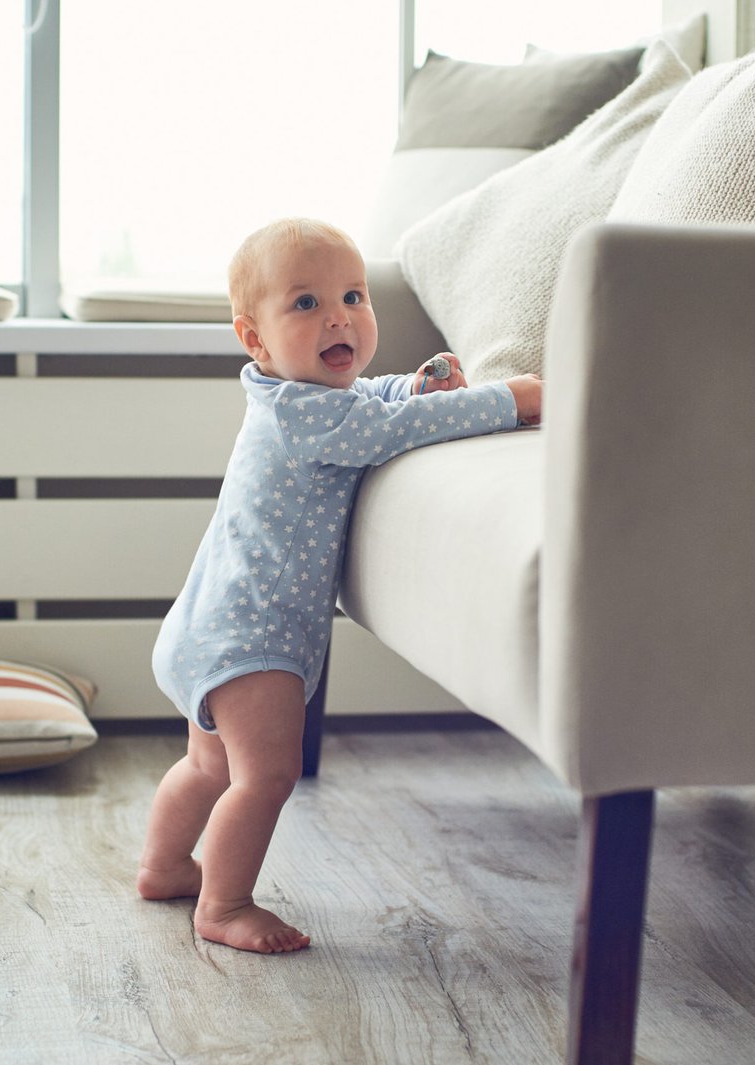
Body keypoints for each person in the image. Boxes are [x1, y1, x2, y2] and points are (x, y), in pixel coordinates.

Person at [138, 218, 543, 954]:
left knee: (206, 764)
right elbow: (388, 430)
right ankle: (223, 904)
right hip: (256, 640)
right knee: (264, 778)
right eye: (305, 303)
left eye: (354, 295)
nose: (339, 315)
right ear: (253, 338)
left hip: (209, 624)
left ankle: (165, 864)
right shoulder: (309, 420)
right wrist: (508, 401)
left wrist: (414, 383)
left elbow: (372, 400)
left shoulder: (295, 398)